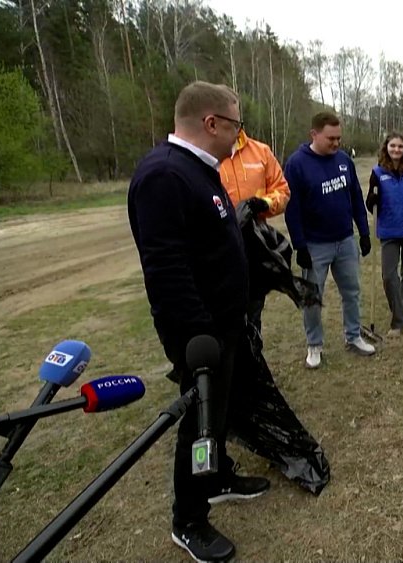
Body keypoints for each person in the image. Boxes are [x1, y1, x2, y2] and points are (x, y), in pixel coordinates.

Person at [127, 80, 270, 563]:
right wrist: (197, 337)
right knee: (199, 419)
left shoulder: (197, 170)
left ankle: (217, 476)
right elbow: (166, 268)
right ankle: (188, 517)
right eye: (235, 125)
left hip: (225, 324)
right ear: (212, 123)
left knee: (221, 411)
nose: (238, 135)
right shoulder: (165, 176)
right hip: (200, 335)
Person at [283, 112, 376, 369]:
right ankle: (314, 345)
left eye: (339, 138)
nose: (336, 143)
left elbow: (356, 197)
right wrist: (300, 245)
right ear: (314, 134)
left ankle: (353, 336)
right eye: (330, 138)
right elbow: (292, 210)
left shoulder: (344, 160)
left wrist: (364, 232)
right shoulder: (297, 164)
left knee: (352, 291)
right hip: (315, 245)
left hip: (345, 240)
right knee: (313, 297)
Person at [219, 128, 291, 333]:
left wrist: (264, 204)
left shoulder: (261, 151)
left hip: (254, 244)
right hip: (221, 246)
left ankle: (253, 355)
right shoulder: (205, 154)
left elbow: (282, 191)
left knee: (254, 311)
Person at [365, 132, 403, 336]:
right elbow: (370, 202)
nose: (396, 150)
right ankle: (398, 318)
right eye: (393, 146)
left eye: (400, 147)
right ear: (386, 147)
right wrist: (372, 200)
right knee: (389, 275)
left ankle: (401, 317)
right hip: (389, 230)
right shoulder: (378, 172)